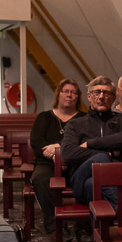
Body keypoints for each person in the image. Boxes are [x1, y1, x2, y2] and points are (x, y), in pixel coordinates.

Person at [61, 76, 122, 242]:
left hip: (115, 180)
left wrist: (91, 143)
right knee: (100, 159)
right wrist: (108, 154)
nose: (102, 96)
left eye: (107, 93)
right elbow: (67, 153)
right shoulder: (76, 124)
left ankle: (100, 237)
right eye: (97, 92)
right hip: (80, 182)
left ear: (113, 98)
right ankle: (120, 213)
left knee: (93, 183)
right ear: (89, 96)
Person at [29, 79, 85, 234]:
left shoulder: (84, 118)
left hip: (75, 163)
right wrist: (55, 157)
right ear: (58, 94)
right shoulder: (44, 117)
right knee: (39, 178)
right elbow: (36, 141)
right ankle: (55, 226)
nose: (69, 95)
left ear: (78, 97)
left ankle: (84, 229)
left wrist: (59, 150)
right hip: (48, 162)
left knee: (88, 180)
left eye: (73, 93)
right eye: (65, 91)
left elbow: (83, 142)